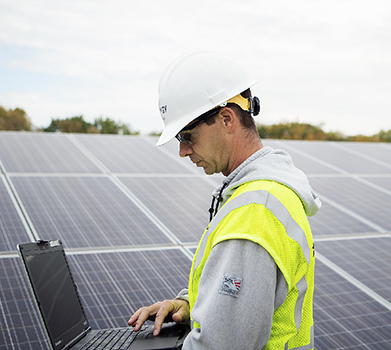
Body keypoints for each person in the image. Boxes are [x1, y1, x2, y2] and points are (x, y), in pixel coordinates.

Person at [128, 51, 321, 349]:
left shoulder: (256, 214)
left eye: (187, 136)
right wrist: (191, 303)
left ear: (227, 119)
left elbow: (220, 345)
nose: (183, 151)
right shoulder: (266, 193)